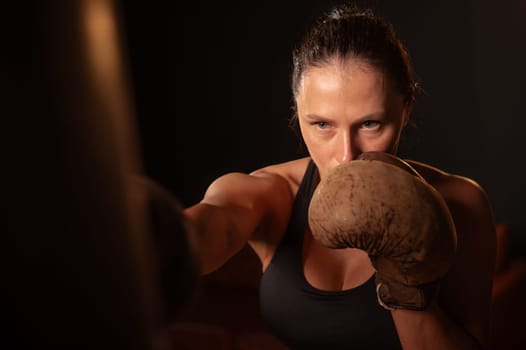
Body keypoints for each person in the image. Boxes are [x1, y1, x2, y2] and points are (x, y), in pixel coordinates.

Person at [179, 2, 496, 349]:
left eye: (370, 124)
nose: (346, 155)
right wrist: (143, 234)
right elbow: (212, 226)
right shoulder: (275, 194)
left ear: (405, 111)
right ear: (298, 114)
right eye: (322, 125)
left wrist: (406, 285)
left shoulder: (459, 204)